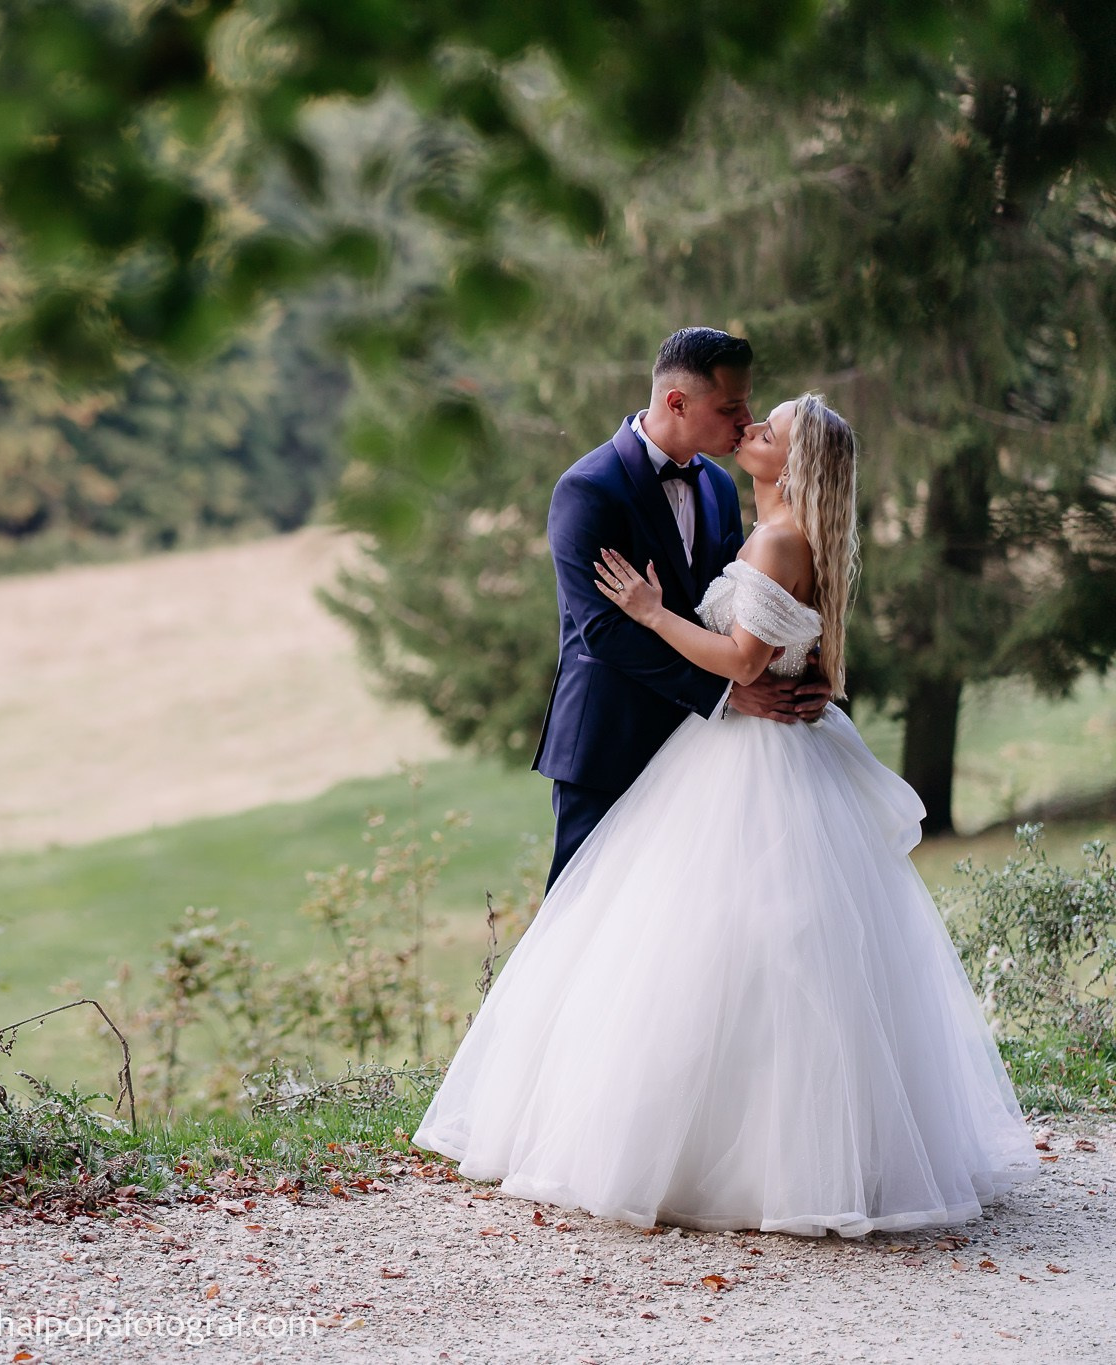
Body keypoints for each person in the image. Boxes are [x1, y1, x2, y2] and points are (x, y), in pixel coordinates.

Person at [413, 393, 1037, 1237]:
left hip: (750, 751)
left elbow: (742, 659)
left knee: (728, 948)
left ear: (794, 461)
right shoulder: (764, 522)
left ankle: (729, 1156)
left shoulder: (777, 538)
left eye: (768, 429)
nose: (750, 430)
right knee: (723, 947)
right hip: (733, 743)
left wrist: (650, 610)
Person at [531, 327, 831, 889]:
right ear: (677, 402)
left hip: (703, 753)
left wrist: (803, 673)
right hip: (610, 742)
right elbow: (603, 632)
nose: (746, 420)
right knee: (583, 920)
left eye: (747, 402)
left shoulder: (719, 486)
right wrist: (726, 691)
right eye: (731, 406)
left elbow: (735, 607)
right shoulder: (588, 489)